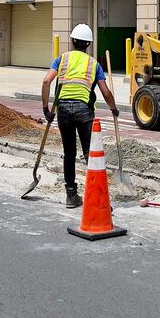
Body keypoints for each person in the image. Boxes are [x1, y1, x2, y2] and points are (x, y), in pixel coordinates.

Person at [40, 24, 119, 209]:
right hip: (84, 110)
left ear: (72, 41)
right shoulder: (94, 64)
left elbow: (46, 81)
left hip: (64, 110)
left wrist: (46, 109)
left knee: (69, 153)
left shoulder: (62, 59)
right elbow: (106, 92)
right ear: (89, 44)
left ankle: (71, 196)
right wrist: (113, 108)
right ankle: (98, 196)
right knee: (90, 154)